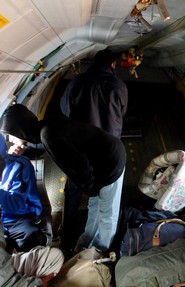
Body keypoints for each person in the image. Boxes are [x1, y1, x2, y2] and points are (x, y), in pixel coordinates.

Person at [0, 104, 127, 255]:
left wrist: (91, 188)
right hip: (101, 158)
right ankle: (85, 245)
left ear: (20, 129)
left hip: (110, 162)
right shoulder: (45, 127)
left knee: (107, 212)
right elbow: (46, 146)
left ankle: (100, 252)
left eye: (11, 134)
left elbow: (79, 166)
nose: (11, 139)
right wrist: (20, 152)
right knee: (95, 208)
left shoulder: (48, 134)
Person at [59, 48, 128, 253]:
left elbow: (65, 110)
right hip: (110, 156)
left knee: (92, 201)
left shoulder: (76, 83)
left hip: (82, 154)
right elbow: (122, 111)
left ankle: (78, 244)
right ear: (113, 65)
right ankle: (101, 252)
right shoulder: (118, 85)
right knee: (109, 209)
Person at [0, 133, 46, 252]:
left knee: (33, 238)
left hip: (17, 220)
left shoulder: (19, 165)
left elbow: (15, 205)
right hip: (2, 222)